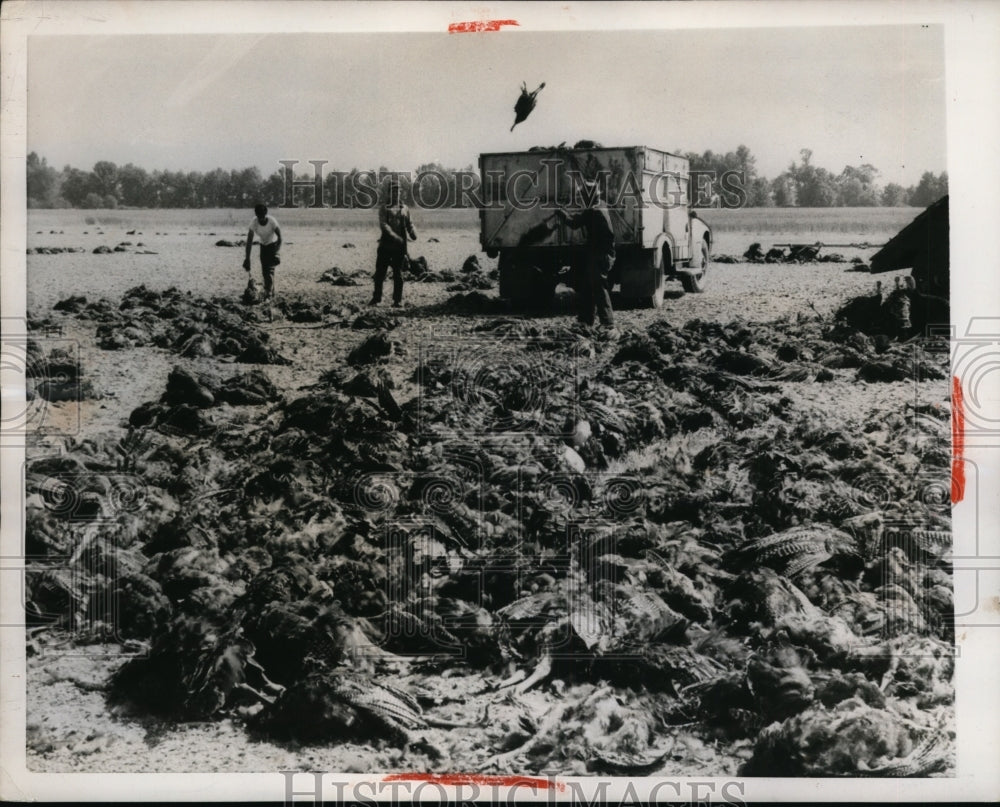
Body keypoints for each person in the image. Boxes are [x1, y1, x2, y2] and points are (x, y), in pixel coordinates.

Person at [556, 180, 617, 334]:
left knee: (598, 288)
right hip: (602, 254)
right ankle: (586, 320)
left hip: (599, 255)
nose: (581, 199)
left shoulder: (594, 211)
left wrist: (561, 213)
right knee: (589, 286)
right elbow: (582, 218)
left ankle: (607, 323)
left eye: (583, 196)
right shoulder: (600, 206)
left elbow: (575, 223)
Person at [371, 181, 416, 307]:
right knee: (380, 273)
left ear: (401, 192)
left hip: (399, 248)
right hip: (385, 245)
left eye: (398, 191)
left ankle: (397, 300)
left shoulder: (405, 209)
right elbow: (384, 225)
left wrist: (413, 232)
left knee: (398, 274)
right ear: (389, 193)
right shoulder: (384, 208)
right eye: (393, 191)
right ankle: (376, 298)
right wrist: (395, 237)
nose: (396, 193)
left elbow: (409, 224)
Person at [243, 203, 282, 300]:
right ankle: (270, 292)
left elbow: (280, 237)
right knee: (265, 271)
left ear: (266, 214)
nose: (261, 219)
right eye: (259, 217)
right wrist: (247, 258)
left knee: (269, 271)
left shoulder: (272, 221)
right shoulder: (254, 222)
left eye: (263, 217)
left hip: (273, 245)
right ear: (256, 215)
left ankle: (269, 294)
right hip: (263, 246)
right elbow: (249, 241)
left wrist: (277, 252)